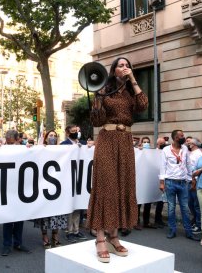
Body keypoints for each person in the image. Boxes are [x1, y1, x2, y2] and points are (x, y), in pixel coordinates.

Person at [86, 57, 148, 263]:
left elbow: (143, 106)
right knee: (106, 187)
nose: (124, 68)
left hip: (125, 142)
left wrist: (134, 81)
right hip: (107, 140)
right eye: (120, 65)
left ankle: (114, 236)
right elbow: (96, 122)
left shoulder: (131, 92)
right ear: (113, 70)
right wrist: (97, 101)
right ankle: (100, 238)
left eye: (127, 65)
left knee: (122, 186)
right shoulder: (103, 90)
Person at [159, 129, 198, 240]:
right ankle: (172, 230)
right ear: (175, 138)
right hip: (170, 182)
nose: (183, 137)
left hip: (183, 182)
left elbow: (188, 164)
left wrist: (192, 178)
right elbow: (162, 166)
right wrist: (162, 182)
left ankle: (189, 232)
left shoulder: (185, 149)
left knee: (185, 208)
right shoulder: (166, 150)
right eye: (181, 136)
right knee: (171, 208)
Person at [34, 130, 68, 248]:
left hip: (58, 188)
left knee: (57, 213)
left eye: (55, 136)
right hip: (44, 187)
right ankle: (45, 236)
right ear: (46, 138)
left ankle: (55, 236)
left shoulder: (62, 150)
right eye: (50, 136)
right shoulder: (41, 149)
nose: (53, 138)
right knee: (45, 214)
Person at [1, 129, 32, 256]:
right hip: (7, 189)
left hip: (20, 189)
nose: (9, 146)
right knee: (8, 219)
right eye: (7, 143)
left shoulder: (24, 149)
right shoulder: (1, 149)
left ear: (17, 140)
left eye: (11, 143)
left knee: (19, 218)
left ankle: (18, 242)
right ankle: (7, 245)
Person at [61, 125, 88, 243]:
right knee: (70, 206)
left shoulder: (83, 144)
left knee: (78, 206)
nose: (76, 133)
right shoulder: (63, 145)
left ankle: (76, 230)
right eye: (73, 131)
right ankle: (69, 231)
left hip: (80, 178)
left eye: (77, 131)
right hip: (68, 179)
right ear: (67, 133)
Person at [187, 137, 202, 234]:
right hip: (189, 180)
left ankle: (199, 225)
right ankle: (195, 221)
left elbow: (199, 168)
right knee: (191, 203)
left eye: (190, 143)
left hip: (195, 182)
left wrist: (195, 180)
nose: (188, 144)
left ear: (194, 144)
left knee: (196, 205)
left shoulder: (199, 154)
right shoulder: (191, 153)